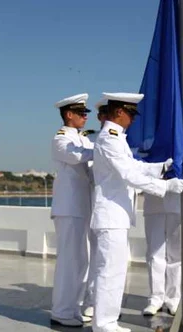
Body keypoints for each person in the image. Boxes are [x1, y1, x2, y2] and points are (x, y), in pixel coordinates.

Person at [91, 92, 183, 332]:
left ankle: (108, 322)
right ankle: (103, 324)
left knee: (116, 270)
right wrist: (165, 186)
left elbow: (134, 166)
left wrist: (159, 168)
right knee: (109, 272)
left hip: (117, 216)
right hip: (110, 215)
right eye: (131, 113)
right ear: (119, 112)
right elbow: (128, 174)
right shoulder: (109, 138)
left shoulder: (117, 138)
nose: (133, 119)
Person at [50, 93, 96, 327]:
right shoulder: (61, 139)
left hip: (81, 207)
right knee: (69, 261)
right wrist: (105, 150)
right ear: (69, 115)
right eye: (81, 113)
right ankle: (61, 311)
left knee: (80, 261)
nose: (85, 117)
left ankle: (71, 308)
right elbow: (78, 156)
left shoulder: (82, 138)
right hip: (69, 208)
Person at [81, 97, 109, 319]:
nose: (105, 118)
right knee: (96, 256)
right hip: (94, 202)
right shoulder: (90, 138)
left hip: (114, 206)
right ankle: (92, 300)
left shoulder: (125, 140)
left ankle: (106, 305)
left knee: (109, 260)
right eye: (103, 114)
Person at [141, 192, 181, 316]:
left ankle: (173, 298)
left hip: (177, 204)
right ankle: (155, 299)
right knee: (154, 255)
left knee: (176, 255)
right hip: (154, 204)